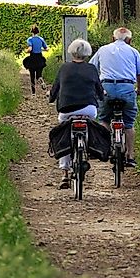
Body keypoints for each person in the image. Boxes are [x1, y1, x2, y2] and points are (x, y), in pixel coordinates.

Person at [48, 38, 105, 188]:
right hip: (88, 109)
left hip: (66, 110)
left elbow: (55, 89)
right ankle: (88, 147)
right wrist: (101, 97)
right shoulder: (92, 69)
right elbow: (99, 90)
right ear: (87, 53)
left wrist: (51, 98)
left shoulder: (64, 68)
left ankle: (65, 174)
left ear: (71, 52)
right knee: (91, 124)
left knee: (65, 136)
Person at [91, 27, 140, 168]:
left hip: (106, 89)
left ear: (112, 38)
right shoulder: (134, 52)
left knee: (104, 119)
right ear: (129, 40)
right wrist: (139, 90)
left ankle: (104, 148)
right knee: (129, 123)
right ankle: (130, 156)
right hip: (127, 89)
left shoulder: (102, 50)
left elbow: (91, 69)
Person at [23, 25, 48, 94]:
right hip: (40, 58)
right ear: (38, 32)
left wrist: (26, 51)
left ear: (31, 32)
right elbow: (47, 49)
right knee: (38, 75)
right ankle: (41, 80)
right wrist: (41, 49)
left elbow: (30, 49)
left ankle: (33, 93)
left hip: (32, 58)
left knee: (32, 76)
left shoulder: (30, 39)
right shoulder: (41, 39)